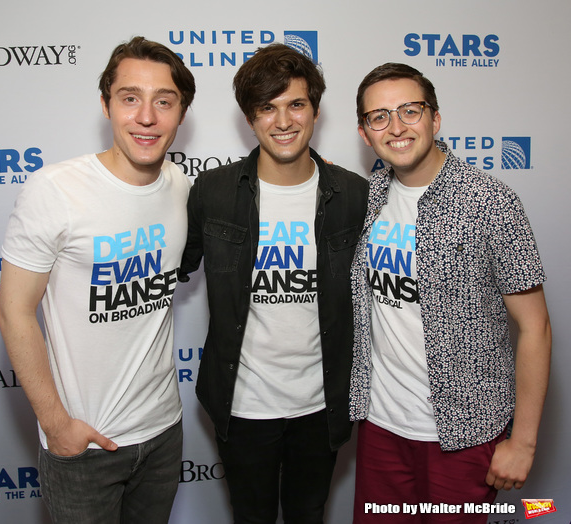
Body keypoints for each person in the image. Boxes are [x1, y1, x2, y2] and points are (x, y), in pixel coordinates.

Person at [0, 36, 195, 524]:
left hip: (163, 432)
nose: (146, 117)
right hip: (84, 445)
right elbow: (14, 312)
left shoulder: (181, 185)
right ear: (106, 104)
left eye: (163, 102)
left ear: (181, 113)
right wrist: (56, 424)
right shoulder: (55, 190)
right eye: (130, 98)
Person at [349, 62, 551, 523]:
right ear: (365, 133)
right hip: (381, 425)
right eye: (379, 116)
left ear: (435, 119)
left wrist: (522, 441)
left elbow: (535, 326)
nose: (396, 127)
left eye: (409, 111)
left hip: (465, 432)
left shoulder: (490, 202)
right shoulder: (372, 195)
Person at [179, 43, 368, 524]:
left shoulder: (353, 195)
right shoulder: (214, 192)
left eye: (295, 104)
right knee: (251, 516)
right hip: (242, 406)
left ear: (316, 111)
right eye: (267, 107)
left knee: (309, 514)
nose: (283, 121)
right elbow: (170, 266)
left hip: (321, 404)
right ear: (250, 117)